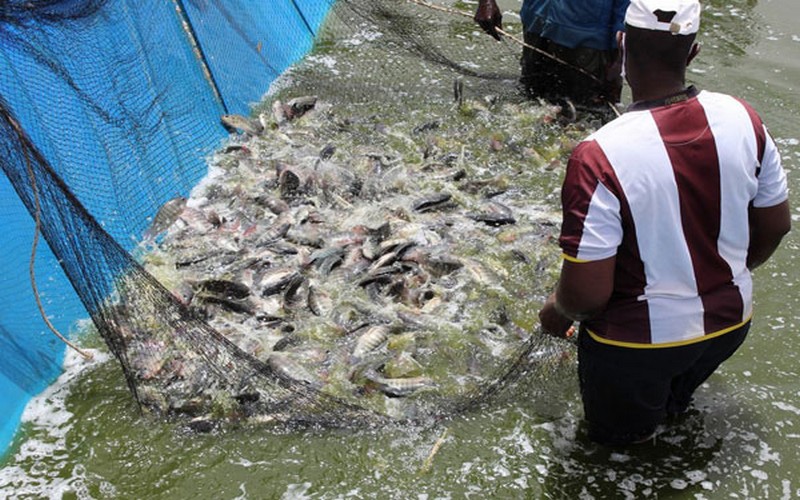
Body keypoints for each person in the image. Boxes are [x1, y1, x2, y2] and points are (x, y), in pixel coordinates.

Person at [537, 0, 791, 446]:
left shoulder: (597, 155)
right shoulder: (744, 117)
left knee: (615, 449)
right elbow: (776, 225)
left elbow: (587, 295)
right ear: (693, 53)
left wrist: (558, 310)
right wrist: (724, 275)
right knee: (673, 413)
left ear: (621, 43)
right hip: (729, 325)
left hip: (635, 347)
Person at [474, 0, 630, 105]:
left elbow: (634, 11)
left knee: (588, 118)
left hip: (590, 43)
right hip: (536, 24)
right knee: (531, 103)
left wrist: (620, 60)